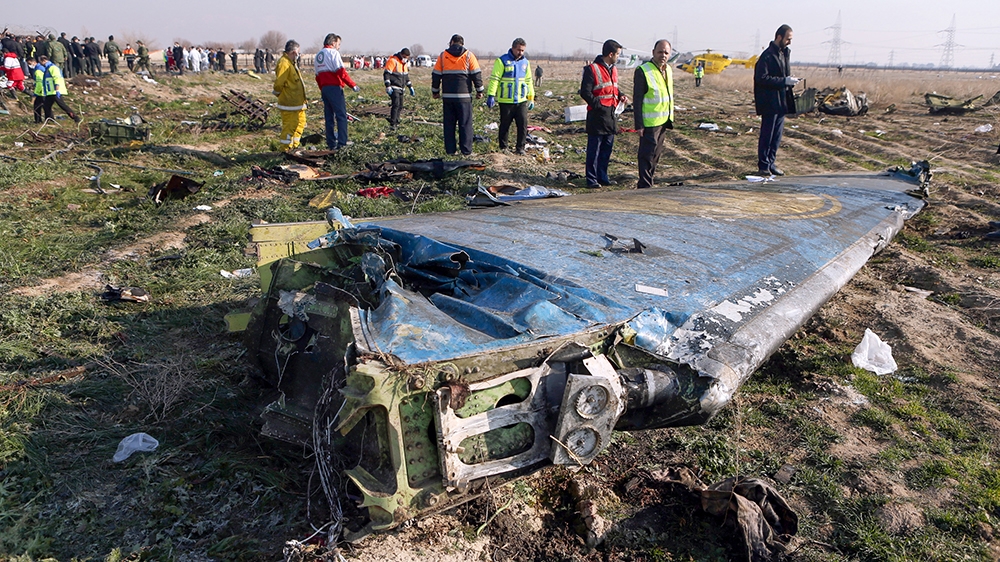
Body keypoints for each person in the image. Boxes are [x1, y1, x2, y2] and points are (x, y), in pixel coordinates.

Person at [579, 39, 628, 188]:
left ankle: (603, 177)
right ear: (610, 54)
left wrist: (621, 95)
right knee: (594, 150)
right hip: (597, 116)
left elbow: (613, 88)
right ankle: (591, 179)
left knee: (606, 149)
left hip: (611, 116)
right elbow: (585, 92)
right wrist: (598, 106)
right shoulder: (592, 69)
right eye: (618, 54)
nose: (618, 57)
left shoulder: (613, 69)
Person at [754, 24, 799, 177]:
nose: (789, 42)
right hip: (769, 101)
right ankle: (763, 166)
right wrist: (784, 81)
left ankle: (771, 163)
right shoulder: (767, 56)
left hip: (781, 101)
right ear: (779, 37)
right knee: (767, 135)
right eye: (788, 39)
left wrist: (789, 81)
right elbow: (761, 78)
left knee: (776, 136)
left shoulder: (784, 54)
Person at [432, 34, 484, 156]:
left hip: (448, 97)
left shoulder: (443, 56)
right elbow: (476, 75)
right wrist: (479, 91)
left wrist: (435, 91)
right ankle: (466, 151)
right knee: (465, 124)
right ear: (462, 43)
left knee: (449, 125)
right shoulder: (469, 55)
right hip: (464, 97)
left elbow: (436, 75)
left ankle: (451, 151)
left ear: (451, 42)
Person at [633, 40, 675, 189]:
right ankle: (644, 186)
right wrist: (639, 124)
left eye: (666, 53)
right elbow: (637, 100)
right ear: (653, 52)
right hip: (649, 122)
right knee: (646, 155)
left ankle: (649, 181)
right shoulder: (643, 71)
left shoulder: (668, 70)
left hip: (663, 120)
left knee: (656, 155)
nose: (663, 55)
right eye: (660, 52)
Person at [486, 38, 535, 154]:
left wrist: (531, 97)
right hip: (506, 101)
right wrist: (491, 95)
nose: (520, 53)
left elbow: (528, 81)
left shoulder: (525, 63)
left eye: (522, 50)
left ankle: (520, 148)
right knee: (505, 125)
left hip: (521, 100)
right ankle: (503, 148)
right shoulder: (502, 61)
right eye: (518, 50)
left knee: (522, 125)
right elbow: (495, 79)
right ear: (513, 48)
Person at [315, 33, 359, 150]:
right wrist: (352, 85)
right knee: (341, 115)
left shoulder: (318, 55)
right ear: (333, 43)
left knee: (329, 116)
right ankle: (342, 143)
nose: (339, 47)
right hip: (334, 87)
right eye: (338, 44)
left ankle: (331, 143)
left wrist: (322, 89)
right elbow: (341, 72)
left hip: (325, 88)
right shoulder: (333, 53)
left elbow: (317, 77)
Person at [272, 40, 307, 151]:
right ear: (294, 52)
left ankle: (294, 146)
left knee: (300, 123)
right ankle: (285, 150)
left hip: (297, 103)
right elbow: (279, 83)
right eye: (298, 52)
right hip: (289, 103)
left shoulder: (290, 63)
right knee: (290, 126)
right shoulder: (284, 63)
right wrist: (279, 94)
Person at [29, 55, 80, 123]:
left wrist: (57, 89)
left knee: (62, 105)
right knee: (46, 106)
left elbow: (57, 78)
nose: (41, 64)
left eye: (41, 62)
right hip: (50, 92)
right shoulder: (47, 68)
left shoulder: (52, 67)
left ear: (44, 60)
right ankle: (49, 120)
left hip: (55, 91)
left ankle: (75, 117)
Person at [383, 48, 414, 129]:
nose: (406, 59)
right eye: (405, 57)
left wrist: (410, 86)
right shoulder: (393, 61)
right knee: (396, 105)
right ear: (402, 55)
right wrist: (388, 86)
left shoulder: (404, 64)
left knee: (400, 106)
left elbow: (406, 77)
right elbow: (386, 74)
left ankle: (396, 121)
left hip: (401, 88)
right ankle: (393, 124)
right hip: (394, 86)